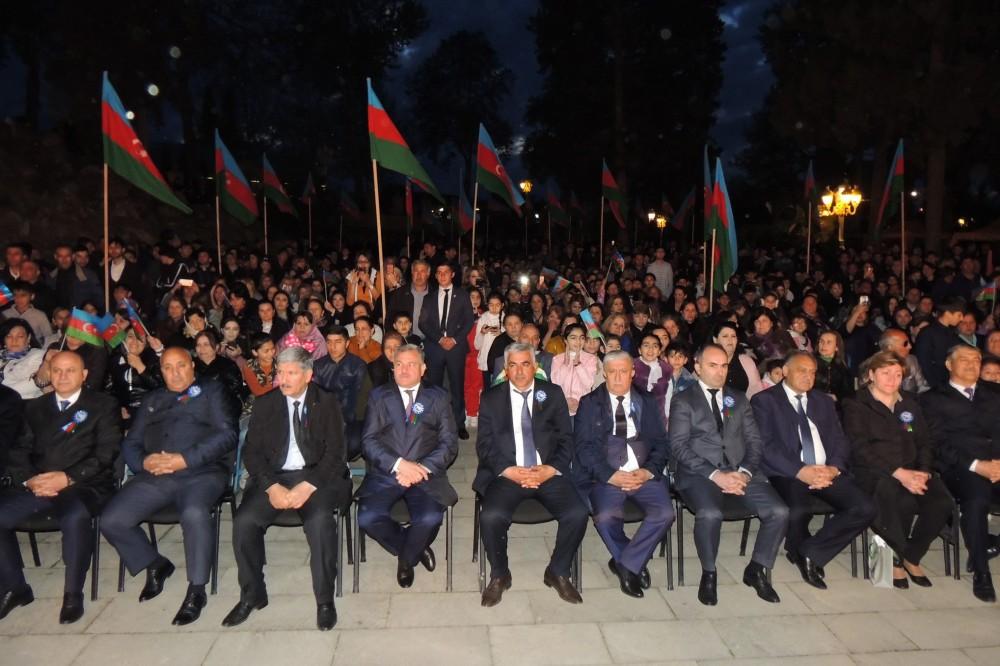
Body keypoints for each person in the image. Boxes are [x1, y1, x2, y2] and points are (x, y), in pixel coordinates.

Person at [100, 347, 239, 626]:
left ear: (192, 365)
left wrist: (184, 459)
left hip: (202, 472)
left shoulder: (212, 391)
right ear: (160, 371)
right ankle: (155, 564)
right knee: (112, 519)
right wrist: (144, 462)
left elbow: (228, 435)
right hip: (157, 474)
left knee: (194, 513)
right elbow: (131, 442)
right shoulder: (153, 399)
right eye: (167, 368)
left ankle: (196, 589)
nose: (175, 373)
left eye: (181, 366)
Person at [223, 346, 351, 631]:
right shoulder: (266, 403)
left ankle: (325, 600)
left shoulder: (326, 401)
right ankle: (252, 594)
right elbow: (252, 453)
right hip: (275, 476)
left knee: (320, 522)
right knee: (244, 522)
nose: (283, 379)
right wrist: (271, 487)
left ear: (308, 375)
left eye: (291, 373)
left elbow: (336, 452)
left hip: (316, 475)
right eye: (280, 372)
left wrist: (309, 485)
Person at [0, 352, 120, 623]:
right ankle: (15, 587)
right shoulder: (34, 407)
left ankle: (73, 593)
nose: (63, 376)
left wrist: (68, 478)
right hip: (41, 484)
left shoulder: (103, 404)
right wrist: (30, 479)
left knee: (74, 516)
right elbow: (19, 450)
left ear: (84, 375)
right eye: (57, 370)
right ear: (49, 374)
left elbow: (106, 452)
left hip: (86, 484)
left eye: (70, 370)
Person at [669, 343, 789, 606]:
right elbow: (678, 446)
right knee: (710, 514)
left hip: (740, 470)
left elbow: (755, 441)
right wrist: (715, 475)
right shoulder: (683, 400)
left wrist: (744, 472)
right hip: (700, 473)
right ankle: (709, 572)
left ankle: (756, 569)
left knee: (779, 511)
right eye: (712, 365)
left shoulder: (738, 398)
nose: (720, 371)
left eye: (724, 366)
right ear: (697, 367)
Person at [751, 351, 876, 589]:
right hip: (788, 472)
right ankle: (798, 549)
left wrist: (834, 468)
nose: (808, 376)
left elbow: (840, 439)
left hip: (825, 470)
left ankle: (809, 552)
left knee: (865, 508)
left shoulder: (823, 401)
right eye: (802, 371)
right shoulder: (764, 401)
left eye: (812, 372)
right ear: (785, 371)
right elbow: (765, 446)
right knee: (798, 510)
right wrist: (800, 471)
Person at [475, 343, 587, 607]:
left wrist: (550, 468)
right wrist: (508, 470)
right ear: (505, 369)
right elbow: (485, 445)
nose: (519, 371)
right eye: (513, 365)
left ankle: (558, 571)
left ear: (535, 366)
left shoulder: (553, 393)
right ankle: (500, 574)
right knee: (490, 516)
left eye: (525, 364)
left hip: (546, 471)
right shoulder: (491, 398)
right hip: (508, 473)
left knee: (578, 513)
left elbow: (566, 439)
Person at [842, 351, 954, 589]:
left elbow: (924, 441)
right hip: (874, 472)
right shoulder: (856, 403)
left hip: (913, 470)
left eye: (897, 374)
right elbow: (859, 448)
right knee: (902, 501)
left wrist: (923, 471)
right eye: (885, 373)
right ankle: (895, 559)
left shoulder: (909, 403)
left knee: (941, 502)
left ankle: (911, 556)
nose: (892, 380)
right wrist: (899, 473)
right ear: (871, 375)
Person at [357, 344, 459, 588]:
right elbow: (368, 441)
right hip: (387, 472)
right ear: (392, 368)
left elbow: (449, 444)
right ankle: (414, 547)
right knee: (368, 518)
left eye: (411, 364)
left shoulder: (438, 397)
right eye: (399, 364)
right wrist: (399, 465)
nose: (404, 370)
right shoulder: (379, 396)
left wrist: (420, 469)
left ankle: (406, 559)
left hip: (426, 474)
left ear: (423, 369)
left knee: (430, 517)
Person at [573, 352, 673, 598]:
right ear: (604, 374)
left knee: (665, 514)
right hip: (606, 475)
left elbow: (661, 442)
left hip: (642, 472)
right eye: (612, 372)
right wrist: (610, 475)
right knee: (606, 517)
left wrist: (648, 471)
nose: (618, 377)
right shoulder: (589, 403)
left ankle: (626, 564)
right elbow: (583, 448)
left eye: (623, 371)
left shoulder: (647, 401)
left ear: (632, 373)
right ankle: (632, 560)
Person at [921, 345, 1000, 602]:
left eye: (976, 359)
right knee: (976, 500)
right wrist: (977, 465)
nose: (971, 364)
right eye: (964, 359)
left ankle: (990, 544)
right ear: (948, 365)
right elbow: (936, 445)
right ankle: (981, 572)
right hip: (961, 468)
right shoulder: (932, 399)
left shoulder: (994, 393)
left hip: (997, 465)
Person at [419, 264, 474, 439]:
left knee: (457, 386)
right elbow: (422, 323)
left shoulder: (462, 295)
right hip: (435, 347)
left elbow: (469, 321)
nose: (443, 276)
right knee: (434, 388)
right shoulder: (429, 298)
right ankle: (435, 424)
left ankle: (459, 424)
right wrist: (440, 339)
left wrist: (454, 339)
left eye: (446, 272)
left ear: (452, 274)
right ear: (435, 276)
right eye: (439, 273)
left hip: (456, 348)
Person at [312, 326, 369, 461]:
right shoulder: (318, 365)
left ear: (347, 343)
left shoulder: (358, 365)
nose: (333, 347)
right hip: (326, 415)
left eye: (338, 342)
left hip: (351, 417)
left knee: (353, 444)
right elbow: (316, 396)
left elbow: (361, 398)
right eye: (329, 342)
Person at [550, 323, 601, 416]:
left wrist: (578, 365)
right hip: (562, 407)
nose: (578, 341)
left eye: (581, 338)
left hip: (583, 407)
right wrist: (565, 364)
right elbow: (556, 383)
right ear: (565, 340)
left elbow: (589, 383)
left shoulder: (591, 359)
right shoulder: (557, 359)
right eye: (573, 338)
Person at [912, 298, 964, 388]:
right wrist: (937, 387)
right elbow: (924, 363)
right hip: (935, 384)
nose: (962, 318)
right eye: (959, 315)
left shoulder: (952, 333)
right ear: (947, 314)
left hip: (950, 382)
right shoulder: (927, 332)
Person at [712, 321, 764, 399]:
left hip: (742, 405)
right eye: (725, 336)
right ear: (715, 340)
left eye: (733, 336)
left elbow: (757, 393)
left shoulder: (746, 362)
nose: (730, 340)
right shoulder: (706, 360)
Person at [631, 333, 672, 429]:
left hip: (658, 418)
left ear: (659, 351)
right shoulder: (631, 366)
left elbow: (668, 396)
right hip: (635, 417)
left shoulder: (666, 369)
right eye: (646, 345)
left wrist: (667, 417)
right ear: (639, 350)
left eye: (655, 346)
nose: (650, 349)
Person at [1, 319, 46, 399]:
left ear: (28, 338)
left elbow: (33, 384)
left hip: (23, 402)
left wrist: (3, 393)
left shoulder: (38, 355)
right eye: (9, 336)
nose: (14, 340)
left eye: (20, 336)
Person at [877, 328, 929, 394]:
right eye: (905, 344)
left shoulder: (911, 360)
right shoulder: (876, 368)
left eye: (909, 342)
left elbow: (923, 387)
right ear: (890, 348)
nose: (910, 346)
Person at [814, 330, 854, 402]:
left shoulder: (842, 368)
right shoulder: (810, 363)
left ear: (836, 347)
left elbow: (849, 393)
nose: (824, 345)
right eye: (821, 341)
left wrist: (837, 397)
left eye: (829, 342)